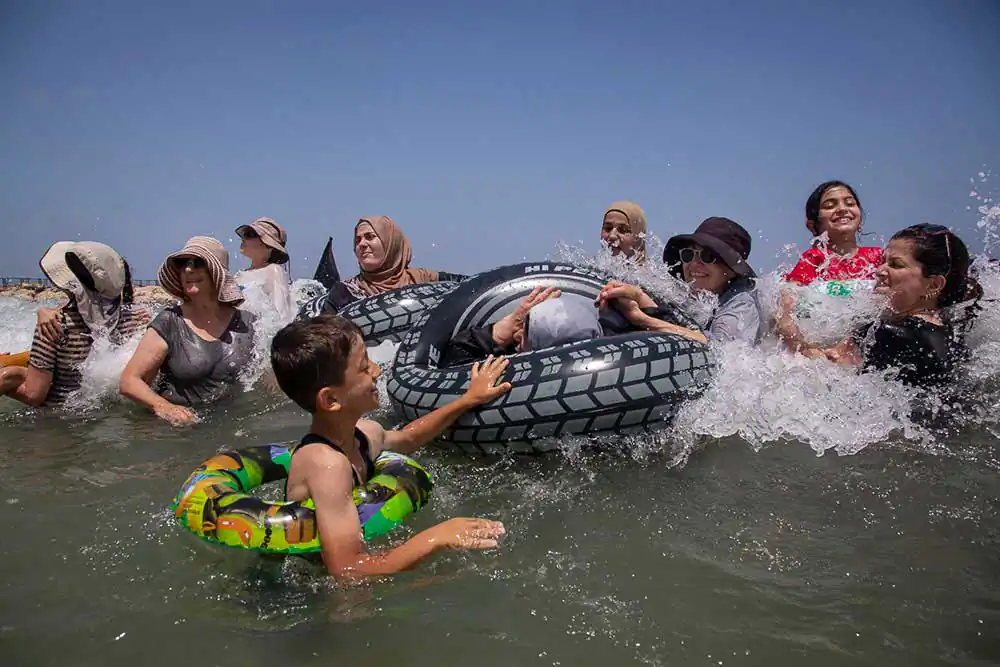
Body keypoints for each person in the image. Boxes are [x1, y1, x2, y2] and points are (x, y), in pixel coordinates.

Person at [271, 314, 509, 579]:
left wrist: (467, 400)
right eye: (363, 367)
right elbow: (348, 571)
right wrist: (435, 538)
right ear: (331, 399)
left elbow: (408, 438)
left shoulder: (364, 434)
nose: (377, 370)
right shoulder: (325, 464)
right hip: (306, 587)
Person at [776, 224, 981, 388]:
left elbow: (829, 368)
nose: (879, 271)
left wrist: (793, 331)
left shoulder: (889, 334)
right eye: (883, 261)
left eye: (896, 265)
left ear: (934, 284)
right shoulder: (950, 333)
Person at [119, 236, 255, 425]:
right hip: (178, 432)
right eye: (182, 263)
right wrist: (163, 406)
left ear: (217, 273)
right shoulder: (170, 321)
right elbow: (129, 381)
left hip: (234, 426)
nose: (188, 269)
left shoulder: (248, 323)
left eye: (197, 262)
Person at [0, 242, 149, 407]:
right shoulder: (139, 319)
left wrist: (13, 379)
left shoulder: (53, 325)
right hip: (108, 420)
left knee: (10, 375)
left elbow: (34, 395)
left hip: (57, 422)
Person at [597, 217, 763, 346]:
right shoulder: (687, 294)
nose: (694, 264)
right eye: (688, 255)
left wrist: (641, 319)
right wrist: (640, 297)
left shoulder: (742, 304)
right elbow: (680, 324)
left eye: (708, 256)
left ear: (732, 269)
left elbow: (719, 350)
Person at [441, 288, 604, 367]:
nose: (517, 335)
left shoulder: (516, 379)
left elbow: (455, 363)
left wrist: (498, 333)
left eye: (527, 332)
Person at [785, 181, 883, 285]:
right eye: (829, 206)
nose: (842, 209)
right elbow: (790, 293)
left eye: (850, 203)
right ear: (812, 226)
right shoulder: (813, 260)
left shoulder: (878, 257)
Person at [342, 216, 440, 299]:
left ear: (391, 244)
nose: (361, 244)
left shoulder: (426, 279)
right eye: (357, 240)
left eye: (370, 237)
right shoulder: (344, 292)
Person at [235, 217, 295, 321]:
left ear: (268, 246)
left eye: (250, 234)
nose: (244, 239)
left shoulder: (274, 270)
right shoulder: (238, 275)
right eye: (244, 235)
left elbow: (282, 314)